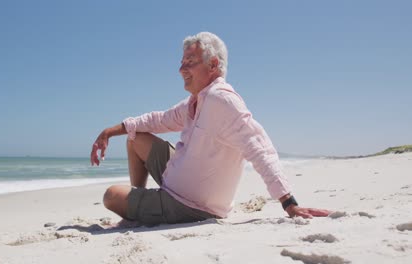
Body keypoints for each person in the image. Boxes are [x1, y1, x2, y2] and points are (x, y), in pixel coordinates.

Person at [91, 32, 330, 226]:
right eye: (182, 62)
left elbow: (260, 149)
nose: (181, 69)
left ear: (213, 65)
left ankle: (139, 209)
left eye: (190, 63)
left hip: (190, 204)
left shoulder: (222, 100)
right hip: (176, 178)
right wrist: (109, 131)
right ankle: (140, 204)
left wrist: (289, 203)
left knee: (111, 196)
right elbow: (159, 119)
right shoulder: (197, 100)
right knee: (135, 138)